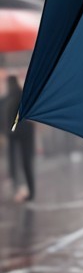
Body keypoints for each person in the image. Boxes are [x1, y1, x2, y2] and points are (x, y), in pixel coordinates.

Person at [3, 74, 35, 202]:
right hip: (16, 135)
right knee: (19, 163)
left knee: (24, 163)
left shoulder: (17, 97)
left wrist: (11, 130)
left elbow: (17, 117)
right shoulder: (11, 97)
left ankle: (29, 192)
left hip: (20, 134)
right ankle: (23, 190)